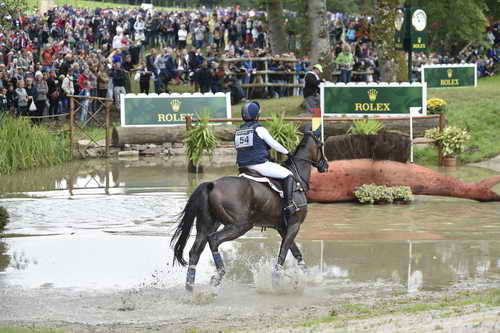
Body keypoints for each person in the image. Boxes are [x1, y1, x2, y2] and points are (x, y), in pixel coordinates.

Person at [234, 101, 298, 216]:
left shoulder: (238, 131)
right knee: (288, 175)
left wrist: (270, 158)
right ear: (257, 116)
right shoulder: (259, 129)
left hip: (242, 167)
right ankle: (288, 205)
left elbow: (249, 148)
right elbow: (274, 144)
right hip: (258, 165)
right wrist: (287, 152)